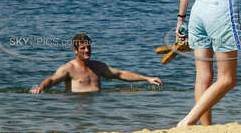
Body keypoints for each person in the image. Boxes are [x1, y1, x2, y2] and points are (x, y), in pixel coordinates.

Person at [30, 33, 162, 93]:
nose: (87, 51)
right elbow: (51, 80)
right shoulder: (68, 68)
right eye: (83, 48)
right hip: (77, 108)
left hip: (98, 106)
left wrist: (147, 79)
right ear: (75, 50)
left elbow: (121, 74)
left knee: (130, 92)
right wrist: (40, 88)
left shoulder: (98, 67)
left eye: (89, 47)